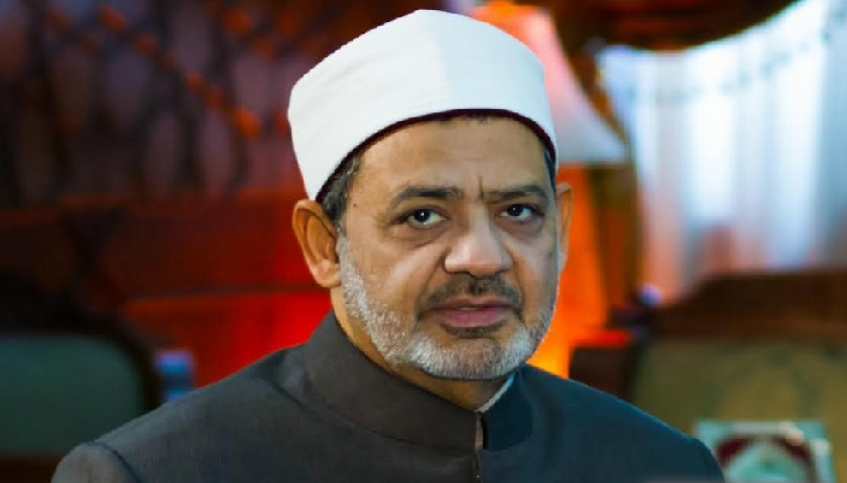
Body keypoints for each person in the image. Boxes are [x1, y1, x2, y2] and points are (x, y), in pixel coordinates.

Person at [52, 9, 724, 483]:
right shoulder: (154, 473)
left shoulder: (661, 465)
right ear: (323, 244)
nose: (482, 256)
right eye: (423, 215)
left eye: (517, 211)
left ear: (562, 226)